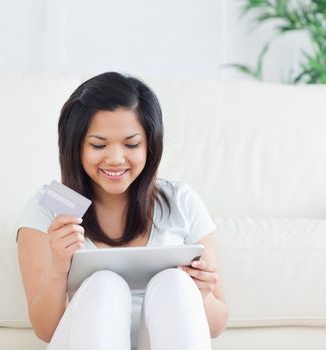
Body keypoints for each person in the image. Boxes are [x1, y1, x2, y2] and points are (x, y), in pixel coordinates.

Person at [16, 72, 229, 350]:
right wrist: (58, 267)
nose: (115, 159)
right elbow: (46, 331)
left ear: (150, 145)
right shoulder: (49, 206)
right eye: (98, 145)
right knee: (105, 285)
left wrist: (201, 294)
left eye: (131, 144)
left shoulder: (180, 201)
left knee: (175, 283)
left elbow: (216, 325)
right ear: (75, 146)